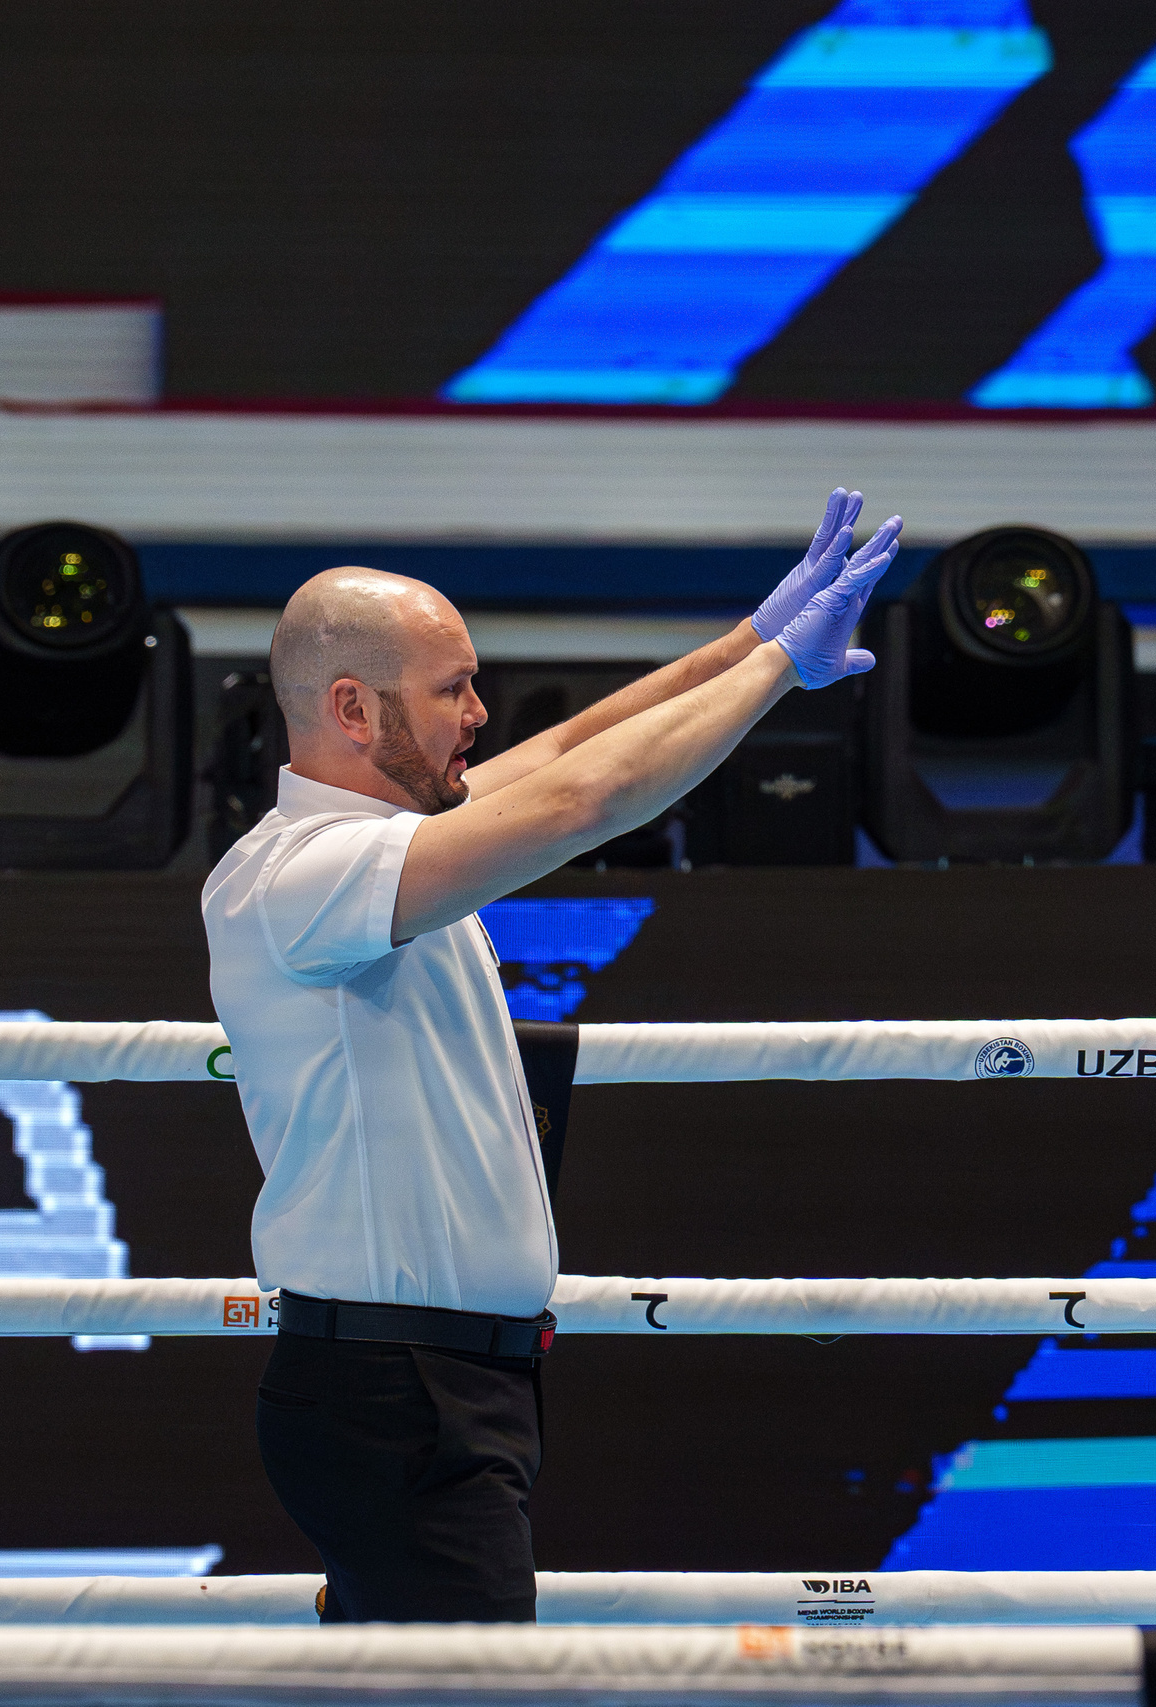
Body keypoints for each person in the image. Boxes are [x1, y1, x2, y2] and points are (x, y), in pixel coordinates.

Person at [203, 491, 898, 1622]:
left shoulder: (393, 841)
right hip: (395, 1389)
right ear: (351, 708)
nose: (478, 713)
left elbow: (571, 746)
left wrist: (740, 643)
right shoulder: (305, 874)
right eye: (450, 690)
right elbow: (586, 797)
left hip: (441, 1382)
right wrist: (772, 668)